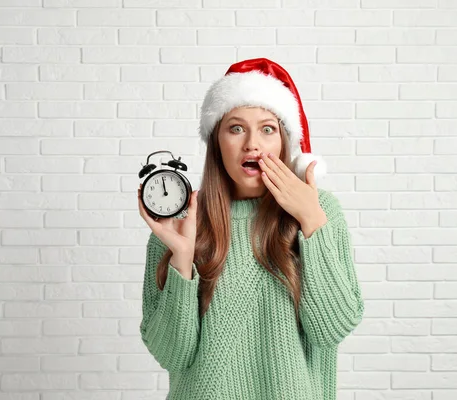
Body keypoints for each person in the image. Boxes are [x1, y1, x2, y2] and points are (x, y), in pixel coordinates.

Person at [137, 58, 364, 400]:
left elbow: (333, 327)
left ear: (285, 141)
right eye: (236, 128)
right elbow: (172, 355)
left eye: (268, 129)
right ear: (217, 141)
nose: (252, 145)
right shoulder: (182, 221)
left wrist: (311, 221)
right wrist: (182, 259)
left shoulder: (320, 211)